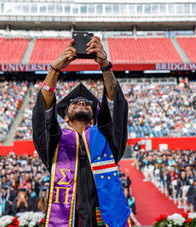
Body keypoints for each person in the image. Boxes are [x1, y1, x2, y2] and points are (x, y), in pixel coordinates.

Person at [32, 36, 131, 227]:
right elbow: (41, 115)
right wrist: (54, 70)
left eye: (86, 104)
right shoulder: (54, 144)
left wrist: (104, 65)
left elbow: (116, 107)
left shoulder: (106, 143)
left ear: (94, 118)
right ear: (65, 118)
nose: (81, 102)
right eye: (75, 103)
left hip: (102, 221)